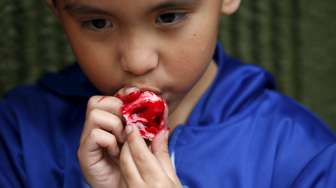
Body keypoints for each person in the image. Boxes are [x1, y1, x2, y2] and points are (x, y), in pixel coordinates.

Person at [0, 0, 335, 187]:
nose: (137, 60)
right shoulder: (19, 138)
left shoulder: (301, 156)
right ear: (56, 9)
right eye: (98, 23)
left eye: (168, 16)